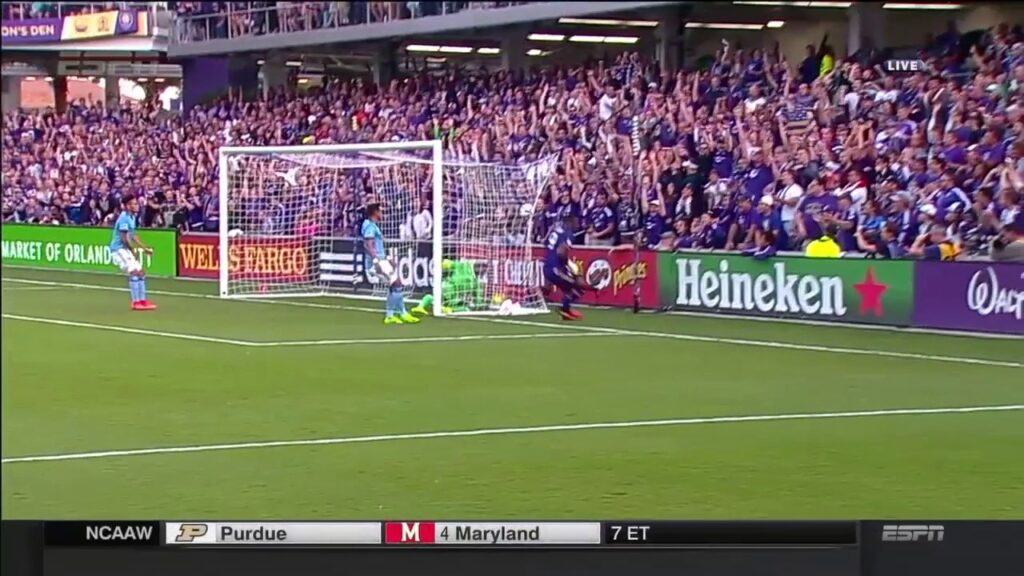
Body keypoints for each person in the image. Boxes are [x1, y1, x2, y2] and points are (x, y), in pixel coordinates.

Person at [362, 203, 419, 325]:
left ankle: (396, 314)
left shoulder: (371, 226)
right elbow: (369, 245)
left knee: (394, 285)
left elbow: (376, 247)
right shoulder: (369, 226)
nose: (382, 213)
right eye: (380, 211)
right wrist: (377, 261)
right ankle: (397, 314)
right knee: (397, 283)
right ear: (375, 212)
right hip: (376, 262)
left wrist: (387, 258)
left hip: (380, 260)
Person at [109, 194, 157, 311]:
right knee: (134, 272)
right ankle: (136, 302)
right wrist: (132, 250)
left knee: (141, 272)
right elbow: (124, 238)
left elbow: (134, 235)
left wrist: (144, 248)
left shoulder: (132, 217)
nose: (137, 206)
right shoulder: (124, 218)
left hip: (125, 249)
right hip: (119, 249)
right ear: (128, 206)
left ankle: (143, 300)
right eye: (134, 204)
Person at [543, 213, 588, 321]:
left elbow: (547, 247)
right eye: (576, 222)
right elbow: (561, 252)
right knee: (579, 287)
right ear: (570, 222)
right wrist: (568, 265)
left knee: (569, 289)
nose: (578, 225)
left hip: (548, 267)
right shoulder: (568, 234)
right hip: (556, 269)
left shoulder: (555, 232)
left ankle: (566, 311)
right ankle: (565, 309)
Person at [410, 258, 483, 315]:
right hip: (449, 288)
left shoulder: (477, 282)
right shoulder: (463, 266)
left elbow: (478, 301)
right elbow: (449, 264)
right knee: (462, 306)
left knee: (465, 308)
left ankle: (441, 308)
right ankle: (445, 308)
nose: (481, 269)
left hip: (453, 293)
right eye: (480, 267)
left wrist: (478, 304)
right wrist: (446, 264)